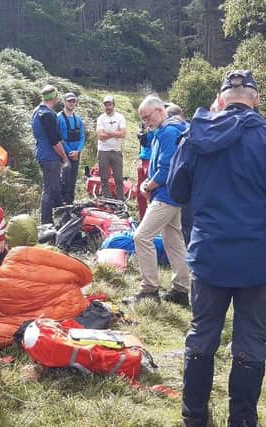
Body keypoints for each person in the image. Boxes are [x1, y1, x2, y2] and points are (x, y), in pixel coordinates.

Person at [168, 70, 266, 427]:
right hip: (258, 260)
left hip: (209, 254)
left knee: (202, 336)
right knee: (251, 341)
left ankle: (194, 417)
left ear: (222, 99)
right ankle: (241, 420)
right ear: (255, 99)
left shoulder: (194, 137)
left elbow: (177, 191)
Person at [126, 96, 190, 306]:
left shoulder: (169, 132)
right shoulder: (169, 129)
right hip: (173, 195)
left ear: (160, 110)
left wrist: (147, 186)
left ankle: (149, 289)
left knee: (141, 237)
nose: (146, 122)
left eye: (147, 117)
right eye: (143, 119)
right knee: (174, 240)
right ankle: (181, 289)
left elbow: (165, 169)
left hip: (166, 195)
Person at [32, 85, 68, 224]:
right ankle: (46, 223)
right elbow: (54, 141)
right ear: (55, 97)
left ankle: (61, 214)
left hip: (42, 153)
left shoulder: (37, 111)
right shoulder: (47, 114)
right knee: (49, 190)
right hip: (50, 157)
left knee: (55, 186)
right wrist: (64, 157)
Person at [165, 102, 193, 246]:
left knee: (185, 222)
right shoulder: (191, 129)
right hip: (194, 184)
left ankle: (185, 251)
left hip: (183, 184)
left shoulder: (174, 131)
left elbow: (174, 161)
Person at [96, 95, 127, 200]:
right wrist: (115, 133)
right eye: (106, 105)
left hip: (116, 151)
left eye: (110, 104)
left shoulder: (120, 117)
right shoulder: (100, 118)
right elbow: (100, 136)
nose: (108, 107)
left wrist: (108, 132)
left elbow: (123, 134)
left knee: (118, 177)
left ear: (114, 105)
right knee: (104, 177)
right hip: (103, 151)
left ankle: (120, 199)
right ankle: (106, 198)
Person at [58, 92, 86, 204]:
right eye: (69, 101)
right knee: (64, 179)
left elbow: (82, 137)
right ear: (64, 102)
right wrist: (70, 152)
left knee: (73, 180)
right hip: (63, 154)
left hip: (76, 155)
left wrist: (77, 151)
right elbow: (59, 138)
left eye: (73, 101)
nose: (71, 103)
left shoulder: (78, 119)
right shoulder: (58, 118)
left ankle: (70, 202)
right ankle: (61, 203)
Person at [136, 124, 152, 219]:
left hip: (151, 160)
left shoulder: (159, 129)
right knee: (140, 192)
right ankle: (143, 218)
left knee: (151, 190)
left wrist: (146, 135)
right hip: (144, 159)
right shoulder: (146, 128)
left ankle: (152, 219)